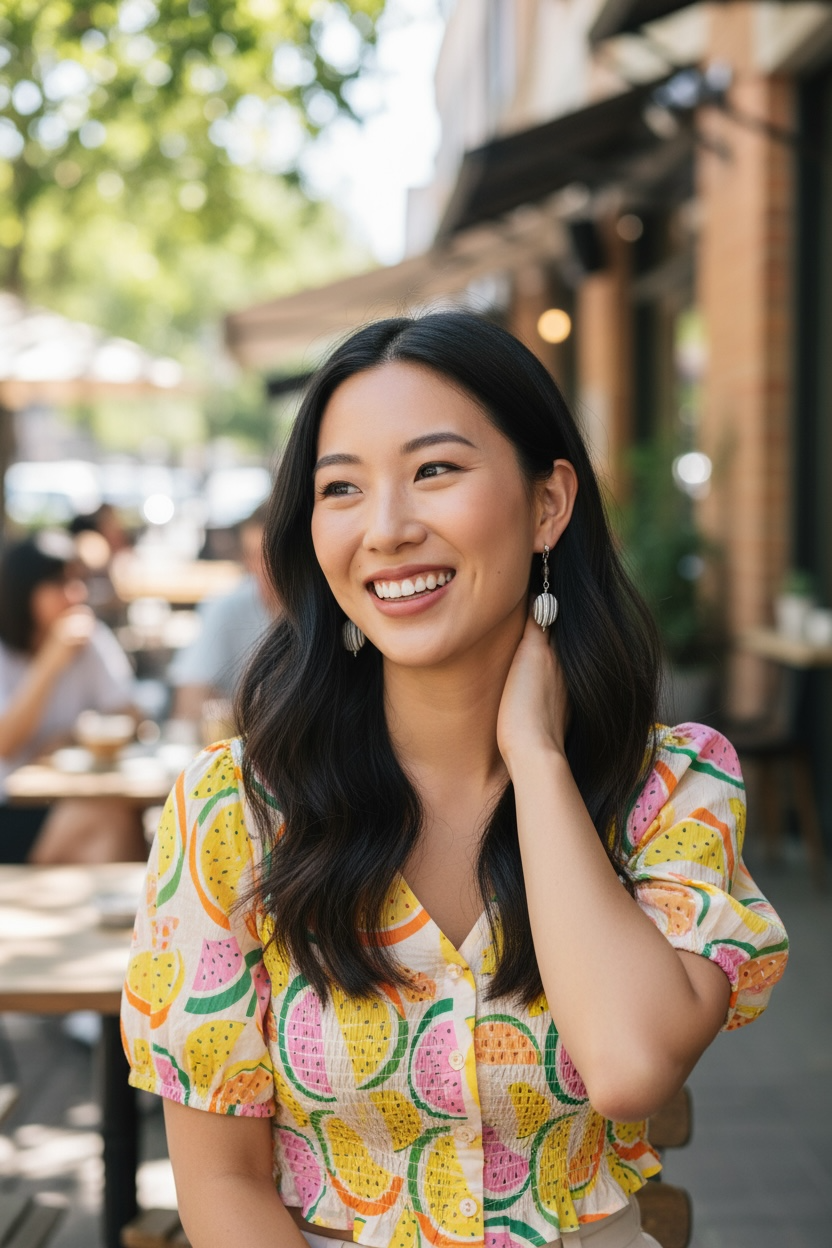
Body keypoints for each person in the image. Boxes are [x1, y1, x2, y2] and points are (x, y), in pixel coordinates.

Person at [121, 314, 788, 1248]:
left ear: (549, 503)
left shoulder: (670, 788)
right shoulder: (233, 810)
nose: (387, 529)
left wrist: (541, 762)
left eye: (435, 470)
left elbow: (632, 1066)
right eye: (341, 487)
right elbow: (223, 1186)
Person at [0, 531, 144, 864]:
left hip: (72, 794)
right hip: (12, 807)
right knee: (111, 818)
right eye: (59, 584)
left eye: (77, 582)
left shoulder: (90, 640)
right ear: (23, 592)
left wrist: (71, 736)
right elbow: (5, 745)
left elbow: (133, 717)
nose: (75, 594)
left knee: (119, 815)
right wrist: (50, 661)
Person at [167, 504, 277, 726]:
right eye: (256, 556)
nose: (267, 568)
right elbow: (188, 704)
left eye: (276, 554)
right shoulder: (227, 608)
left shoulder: (333, 611)